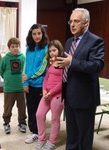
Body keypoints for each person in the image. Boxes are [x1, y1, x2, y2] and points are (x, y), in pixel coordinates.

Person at [55, 8, 104, 150]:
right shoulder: (70, 41)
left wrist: (71, 62)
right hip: (69, 94)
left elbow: (97, 65)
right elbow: (69, 64)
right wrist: (60, 65)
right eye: (71, 21)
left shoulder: (96, 41)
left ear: (86, 23)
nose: (72, 24)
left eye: (76, 21)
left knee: (84, 137)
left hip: (85, 97)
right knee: (72, 134)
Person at [22, 24, 49, 144]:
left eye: (39, 33)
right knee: (31, 108)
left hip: (40, 84)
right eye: (34, 34)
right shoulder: (29, 48)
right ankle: (34, 131)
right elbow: (25, 66)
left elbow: (42, 68)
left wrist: (29, 76)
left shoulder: (46, 49)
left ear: (42, 34)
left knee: (39, 110)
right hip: (29, 84)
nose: (37, 36)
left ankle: (39, 132)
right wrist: (25, 82)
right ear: (31, 35)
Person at [35, 40, 64, 150]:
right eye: (50, 51)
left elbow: (63, 82)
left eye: (54, 50)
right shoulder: (50, 63)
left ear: (59, 50)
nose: (52, 53)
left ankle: (52, 142)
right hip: (47, 94)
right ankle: (41, 139)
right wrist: (44, 90)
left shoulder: (63, 63)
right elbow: (46, 78)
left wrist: (51, 92)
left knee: (54, 119)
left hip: (58, 95)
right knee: (39, 114)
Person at [0, 37, 27, 134]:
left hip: (21, 88)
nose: (15, 48)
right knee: (8, 107)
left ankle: (22, 123)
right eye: (13, 46)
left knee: (22, 107)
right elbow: (1, 70)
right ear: (9, 48)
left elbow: (25, 70)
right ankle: (6, 123)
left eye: (17, 46)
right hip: (9, 88)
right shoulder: (5, 58)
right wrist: (7, 78)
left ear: (19, 47)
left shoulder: (23, 57)